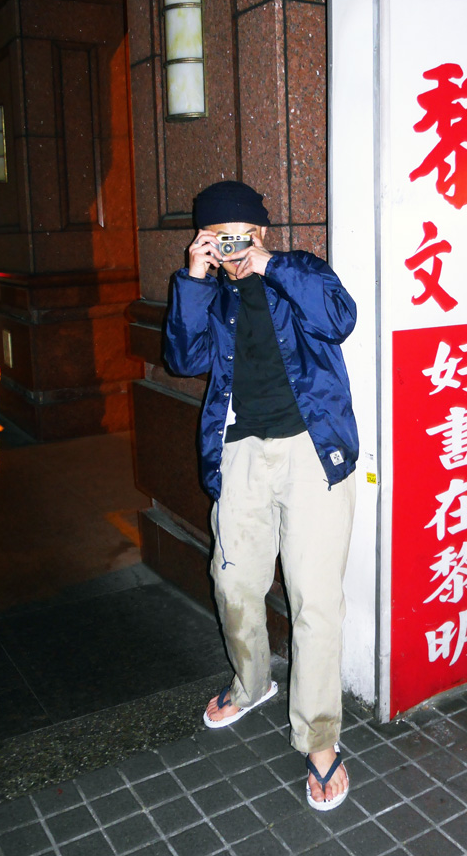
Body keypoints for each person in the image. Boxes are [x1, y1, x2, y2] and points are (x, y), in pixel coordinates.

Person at [163, 180, 358, 811]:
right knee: (232, 582)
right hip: (242, 453)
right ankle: (252, 684)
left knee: (314, 599)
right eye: (218, 239)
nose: (232, 249)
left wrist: (270, 266)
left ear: (263, 232)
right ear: (205, 241)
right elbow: (184, 358)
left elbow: (339, 318)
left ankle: (320, 738)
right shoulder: (209, 292)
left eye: (241, 236)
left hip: (311, 449)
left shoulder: (298, 271)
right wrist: (194, 279)